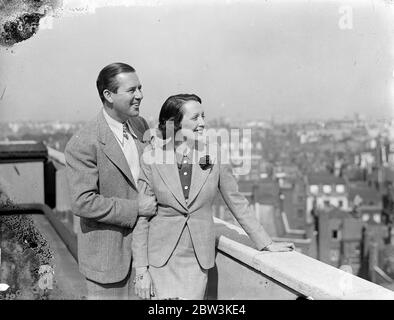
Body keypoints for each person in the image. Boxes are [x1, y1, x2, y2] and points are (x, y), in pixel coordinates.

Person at [132, 94, 295, 300]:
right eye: (195, 118)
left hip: (197, 258)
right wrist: (141, 271)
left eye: (203, 116)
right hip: (160, 260)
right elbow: (142, 217)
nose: (202, 123)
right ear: (175, 123)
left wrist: (265, 242)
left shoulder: (214, 154)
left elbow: (236, 201)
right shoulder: (152, 156)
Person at [64, 62, 155, 299]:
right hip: (107, 265)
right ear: (108, 95)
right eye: (132, 90)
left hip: (147, 256)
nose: (140, 95)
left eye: (140, 88)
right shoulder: (84, 142)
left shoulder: (140, 125)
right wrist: (136, 208)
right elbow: (83, 202)